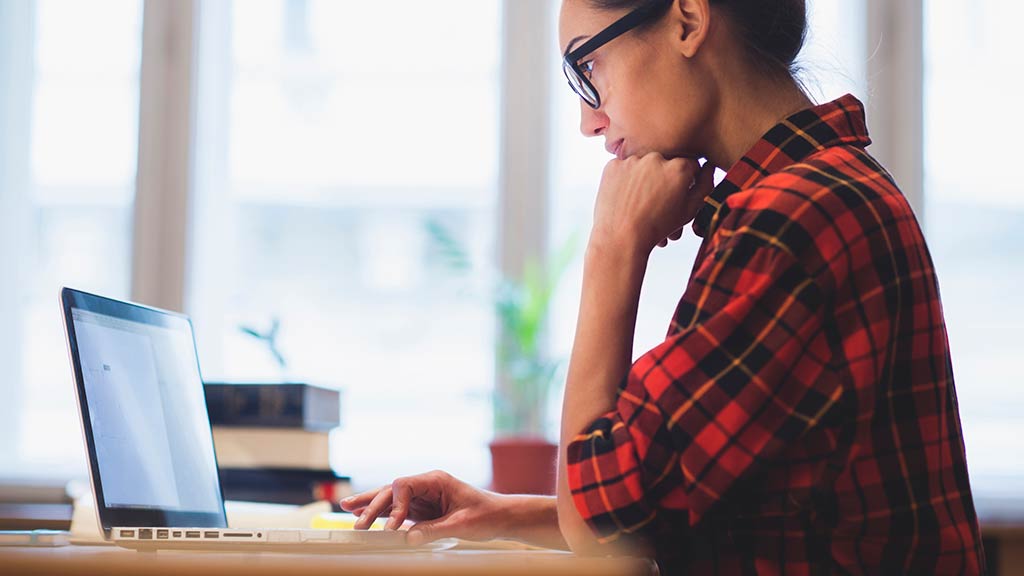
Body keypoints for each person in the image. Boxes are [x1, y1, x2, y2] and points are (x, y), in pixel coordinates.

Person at [341, 0, 987, 572]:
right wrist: (500, 512)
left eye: (588, 67)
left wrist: (613, 249)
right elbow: (681, 503)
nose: (590, 121)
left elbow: (601, 527)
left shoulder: (793, 220)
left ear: (688, 20)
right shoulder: (817, 192)